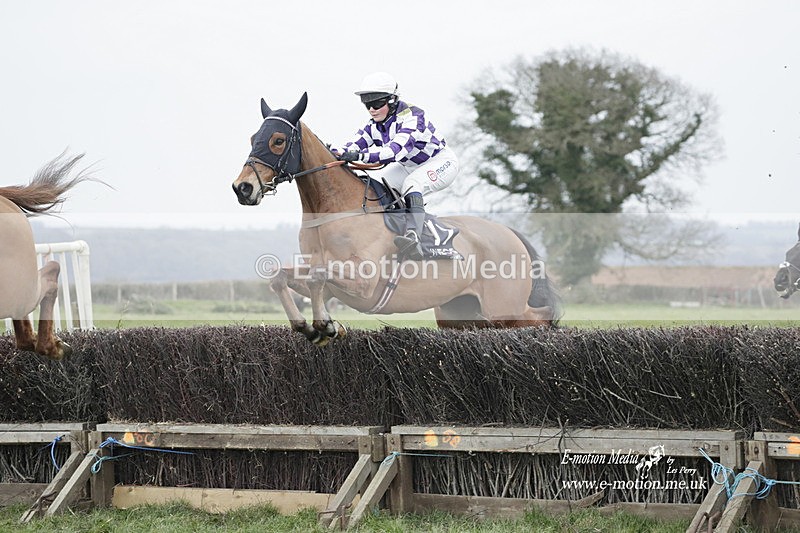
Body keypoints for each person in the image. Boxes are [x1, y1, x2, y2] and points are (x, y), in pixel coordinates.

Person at [337, 72, 459, 260]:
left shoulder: (413, 117)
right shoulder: (375, 124)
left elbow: (394, 151)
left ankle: (414, 236)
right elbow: (355, 143)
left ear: (392, 100)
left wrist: (360, 156)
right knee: (381, 186)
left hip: (439, 162)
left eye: (376, 104)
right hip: (408, 165)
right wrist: (335, 152)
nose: (371, 110)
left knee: (412, 184)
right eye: (367, 104)